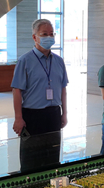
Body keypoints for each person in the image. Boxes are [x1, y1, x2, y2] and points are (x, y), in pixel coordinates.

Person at [12, 19, 68, 172]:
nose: (49, 37)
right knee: (31, 160)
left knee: (52, 158)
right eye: (44, 34)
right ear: (34, 37)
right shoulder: (25, 60)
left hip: (53, 114)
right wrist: (18, 118)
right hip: (32, 116)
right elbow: (17, 91)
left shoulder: (59, 61)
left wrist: (64, 113)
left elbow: (63, 89)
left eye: (51, 34)